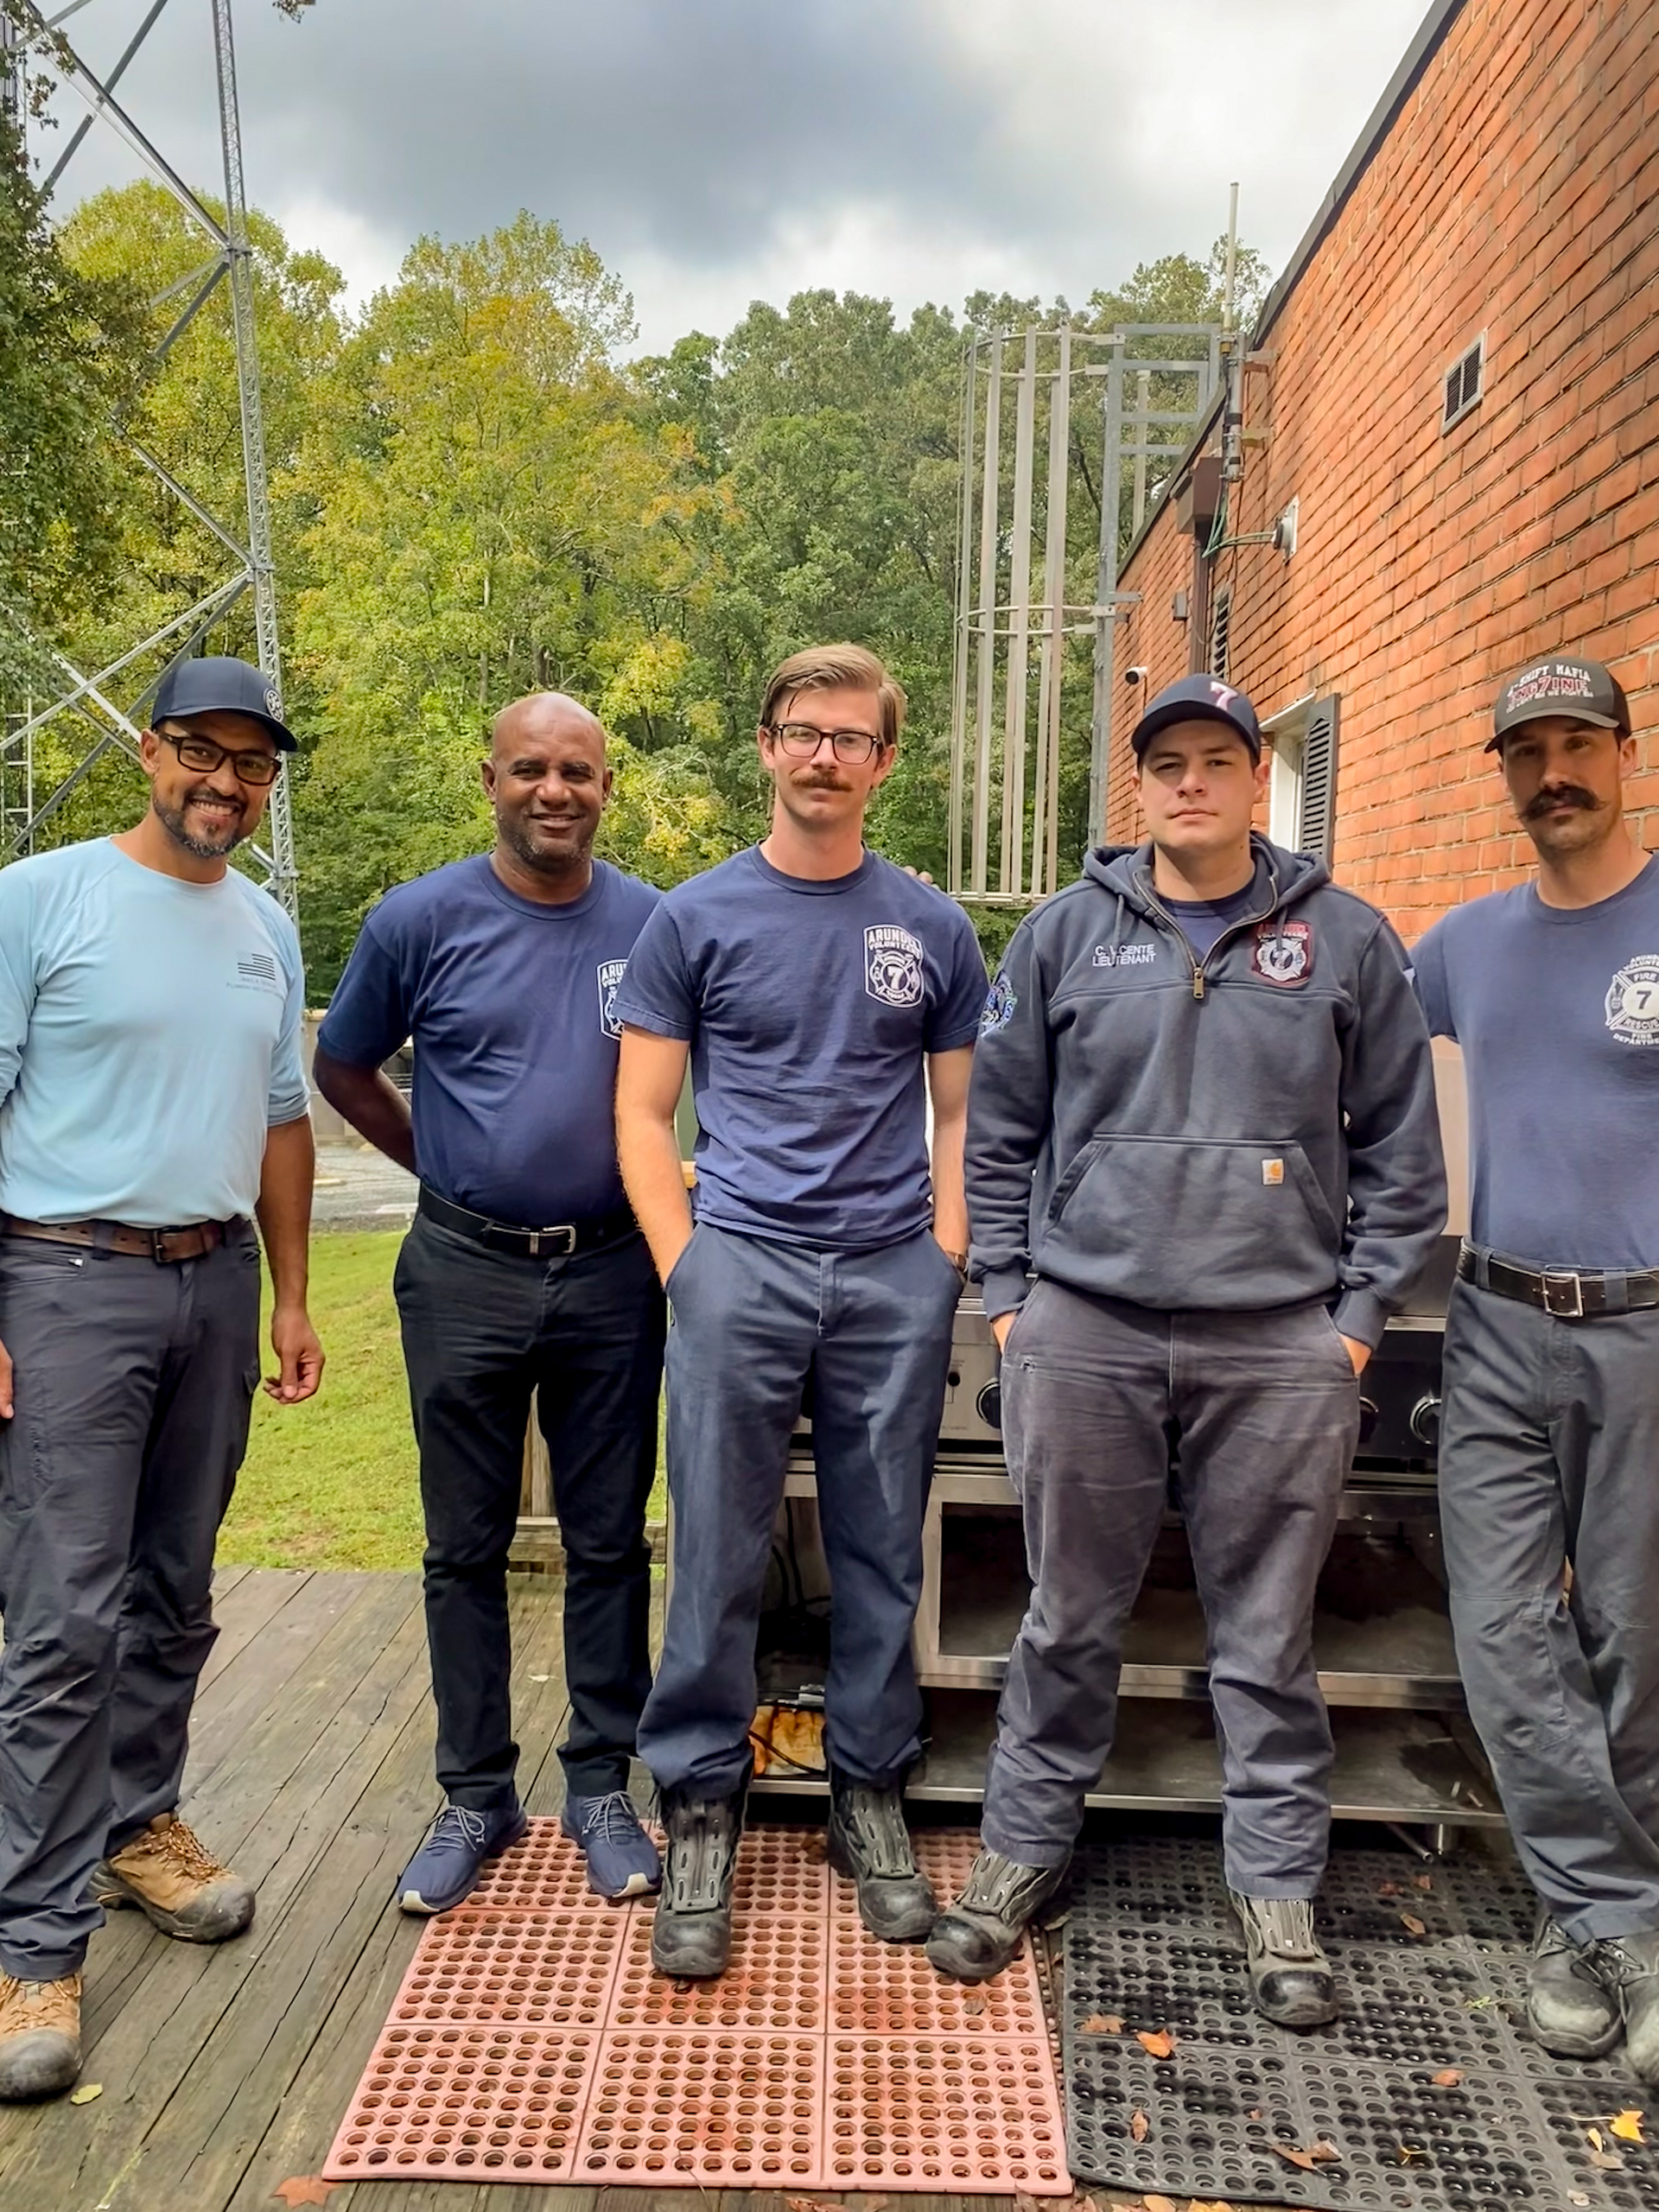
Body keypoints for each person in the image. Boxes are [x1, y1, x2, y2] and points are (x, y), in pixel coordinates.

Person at [928, 673, 1446, 2021]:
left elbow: (1401, 1148)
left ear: (1252, 775)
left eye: (1220, 759)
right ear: (1141, 786)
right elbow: (1000, 1135)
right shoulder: (1059, 936)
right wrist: (1012, 1301)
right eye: (1169, 763)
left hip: (1280, 1344)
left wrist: (1354, 1324)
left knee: (1267, 1635)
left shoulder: (1343, 939)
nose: (1193, 782)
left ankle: (1277, 1896)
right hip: (1083, 1333)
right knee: (1067, 1619)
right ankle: (1021, 1853)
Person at [613, 642, 987, 1979]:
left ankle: (868, 1793)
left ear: (885, 763)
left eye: (852, 737)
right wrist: (688, 1263)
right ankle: (701, 1802)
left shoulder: (933, 928)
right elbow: (645, 1112)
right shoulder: (693, 920)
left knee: (883, 1547)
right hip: (743, 1266)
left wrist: (942, 1256)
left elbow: (963, 1116)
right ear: (766, 747)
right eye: (802, 731)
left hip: (891, 1270)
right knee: (713, 1545)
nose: (825, 755)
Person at [0, 656, 323, 2102]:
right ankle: (32, 1940)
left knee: (171, 1596)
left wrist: (297, 1293)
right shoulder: (40, 898)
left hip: (214, 1283)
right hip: (65, 1277)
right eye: (203, 754)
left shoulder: (265, 926)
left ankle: (140, 1830)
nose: (226, 785)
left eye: (252, 766)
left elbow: (280, 1124)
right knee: (62, 1617)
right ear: (150, 753)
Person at [315, 693, 665, 1910]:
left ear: (605, 788)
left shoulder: (654, 924)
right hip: (462, 1271)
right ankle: (474, 1796)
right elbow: (341, 1066)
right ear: (492, 780)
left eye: (577, 771)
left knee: (610, 1538)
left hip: (615, 1270)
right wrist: (445, 1164)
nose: (554, 791)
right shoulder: (418, 920)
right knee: (461, 1545)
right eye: (531, 770)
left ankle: (602, 1786)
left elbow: (695, 1078)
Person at [1413, 654, 1659, 2081]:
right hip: (1496, 1320)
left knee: (1634, 1631)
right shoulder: (1462, 946)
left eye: (1578, 743)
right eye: (1527, 751)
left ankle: (1600, 1916)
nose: (1552, 771)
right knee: (1506, 1634)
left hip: (1646, 1326)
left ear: (1625, 754)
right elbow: (1329, 1026)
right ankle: (1613, 1916)